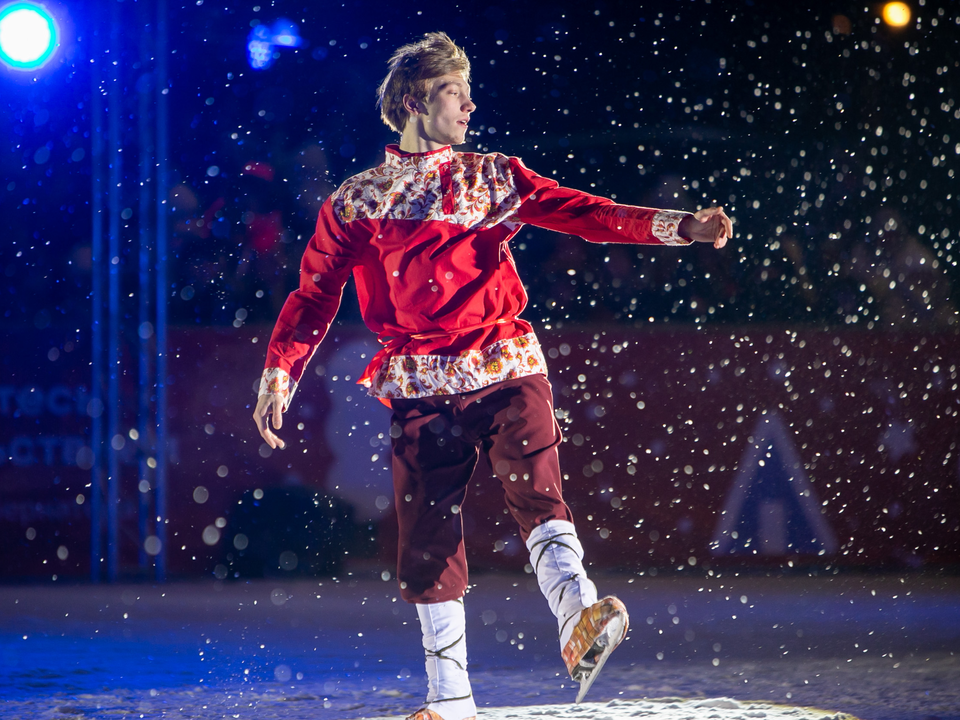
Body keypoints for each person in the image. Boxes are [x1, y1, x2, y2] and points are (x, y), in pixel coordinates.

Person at [253, 31, 732, 720]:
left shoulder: (491, 176)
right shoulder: (358, 201)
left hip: (504, 364)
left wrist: (676, 226)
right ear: (418, 99)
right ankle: (449, 703)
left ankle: (578, 619)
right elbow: (313, 293)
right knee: (425, 538)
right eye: (456, 91)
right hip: (419, 384)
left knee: (537, 492)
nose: (471, 105)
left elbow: (586, 214)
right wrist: (279, 373)